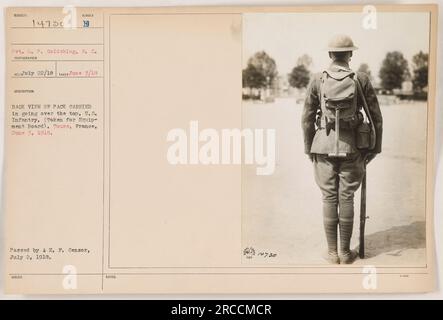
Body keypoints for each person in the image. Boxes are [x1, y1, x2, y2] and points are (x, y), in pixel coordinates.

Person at [301, 34, 383, 264]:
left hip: (322, 147)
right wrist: (375, 148)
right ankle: (346, 253)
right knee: (346, 197)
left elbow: (307, 118)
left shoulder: (317, 79)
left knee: (329, 198)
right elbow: (376, 117)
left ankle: (332, 252)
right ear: (350, 54)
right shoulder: (361, 78)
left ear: (330, 55)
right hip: (354, 147)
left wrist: (309, 148)